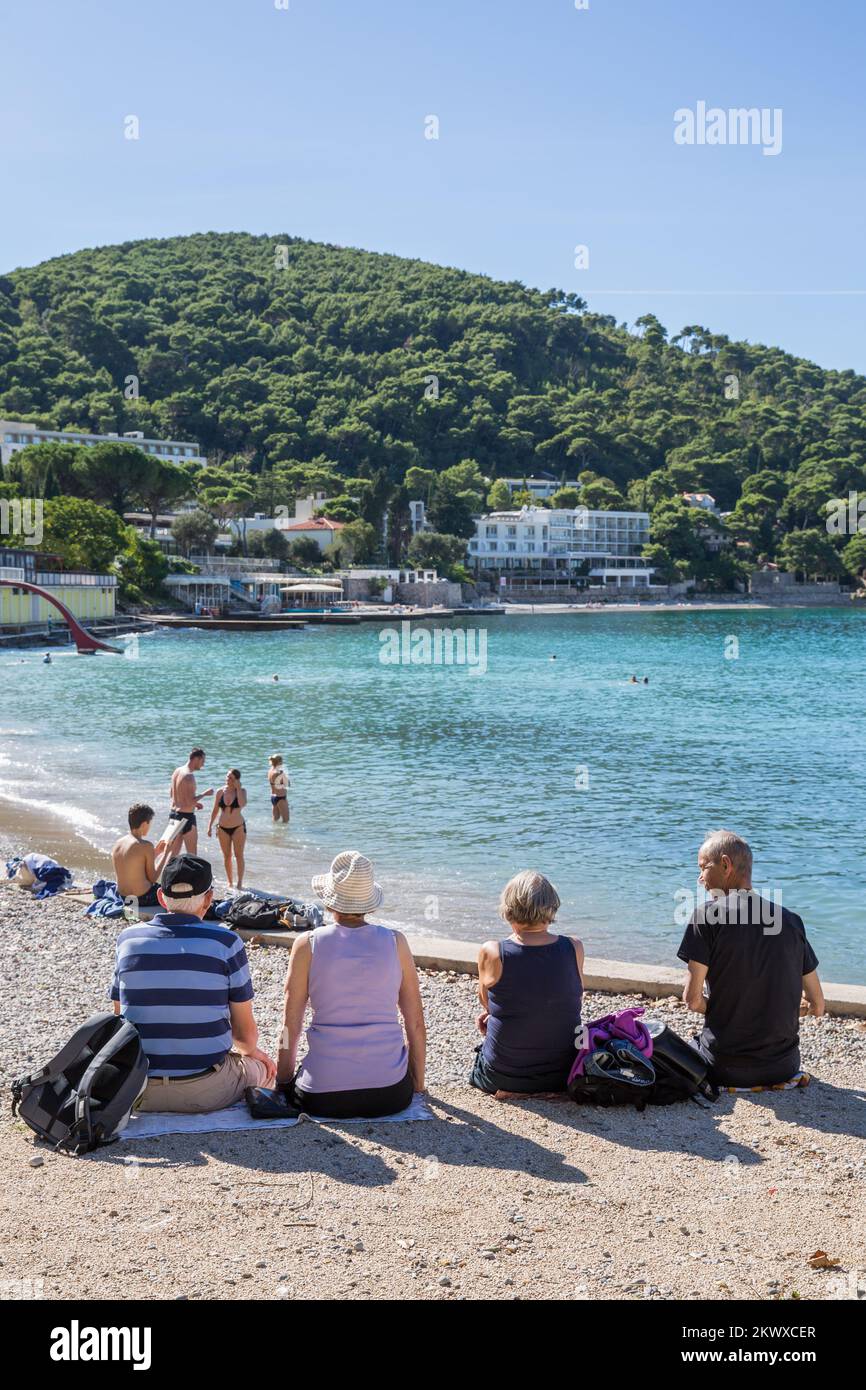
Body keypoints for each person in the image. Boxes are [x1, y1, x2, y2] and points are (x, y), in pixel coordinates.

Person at [110, 854, 275, 1112]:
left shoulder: (127, 940)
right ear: (209, 899)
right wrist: (254, 1055)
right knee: (263, 1068)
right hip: (207, 1090)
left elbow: (120, 1017)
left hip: (137, 1090)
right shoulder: (226, 943)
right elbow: (244, 1038)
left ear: (162, 898)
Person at [276, 850, 426, 1117]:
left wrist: (283, 1082)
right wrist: (418, 1085)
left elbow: (291, 1025)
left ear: (330, 901)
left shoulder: (307, 945)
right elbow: (415, 1023)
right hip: (390, 1094)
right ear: (369, 902)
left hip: (321, 1096)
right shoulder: (396, 942)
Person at [677, 830, 825, 1087]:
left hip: (725, 1067)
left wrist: (731, 1012)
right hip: (784, 1066)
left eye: (703, 867)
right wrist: (773, 1010)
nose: (700, 878)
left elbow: (692, 1000)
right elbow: (818, 1005)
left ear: (726, 864)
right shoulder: (790, 920)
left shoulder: (706, 917)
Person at [471, 871, 583, 1098]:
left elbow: (487, 1003)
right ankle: (545, 1090)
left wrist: (495, 1018)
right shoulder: (573, 947)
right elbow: (575, 997)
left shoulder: (494, 952)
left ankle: (516, 1091)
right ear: (552, 907)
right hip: (563, 1073)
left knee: (481, 1061)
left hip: (502, 1074)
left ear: (509, 908)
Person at [111, 803, 171, 908]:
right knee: (172, 893)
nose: (150, 827)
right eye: (150, 824)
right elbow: (153, 878)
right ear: (144, 824)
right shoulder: (145, 846)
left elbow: (134, 865)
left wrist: (156, 853)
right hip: (141, 898)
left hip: (123, 897)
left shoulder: (118, 843)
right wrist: (166, 854)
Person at [208, 768, 247, 889]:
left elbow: (242, 804)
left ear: (237, 780)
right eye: (227, 777)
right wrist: (209, 826)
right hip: (222, 828)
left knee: (238, 855)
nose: (228, 780)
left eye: (231, 778)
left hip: (238, 827)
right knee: (227, 856)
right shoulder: (220, 792)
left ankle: (239, 882)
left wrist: (238, 788)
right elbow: (215, 810)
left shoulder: (242, 791)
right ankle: (230, 882)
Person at [168, 747, 213, 854]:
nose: (203, 765)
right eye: (202, 761)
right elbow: (189, 802)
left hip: (174, 815)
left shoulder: (177, 771)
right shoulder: (189, 776)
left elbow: (172, 794)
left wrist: (195, 803)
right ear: (196, 759)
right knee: (192, 856)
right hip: (186, 818)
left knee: (171, 855)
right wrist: (204, 794)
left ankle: (165, 871)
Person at [268, 753, 290, 824]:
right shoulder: (279, 772)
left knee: (275, 820)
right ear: (279, 762)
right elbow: (288, 784)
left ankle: (274, 834)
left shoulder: (270, 770)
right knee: (286, 820)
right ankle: (283, 834)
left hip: (273, 797)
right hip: (281, 797)